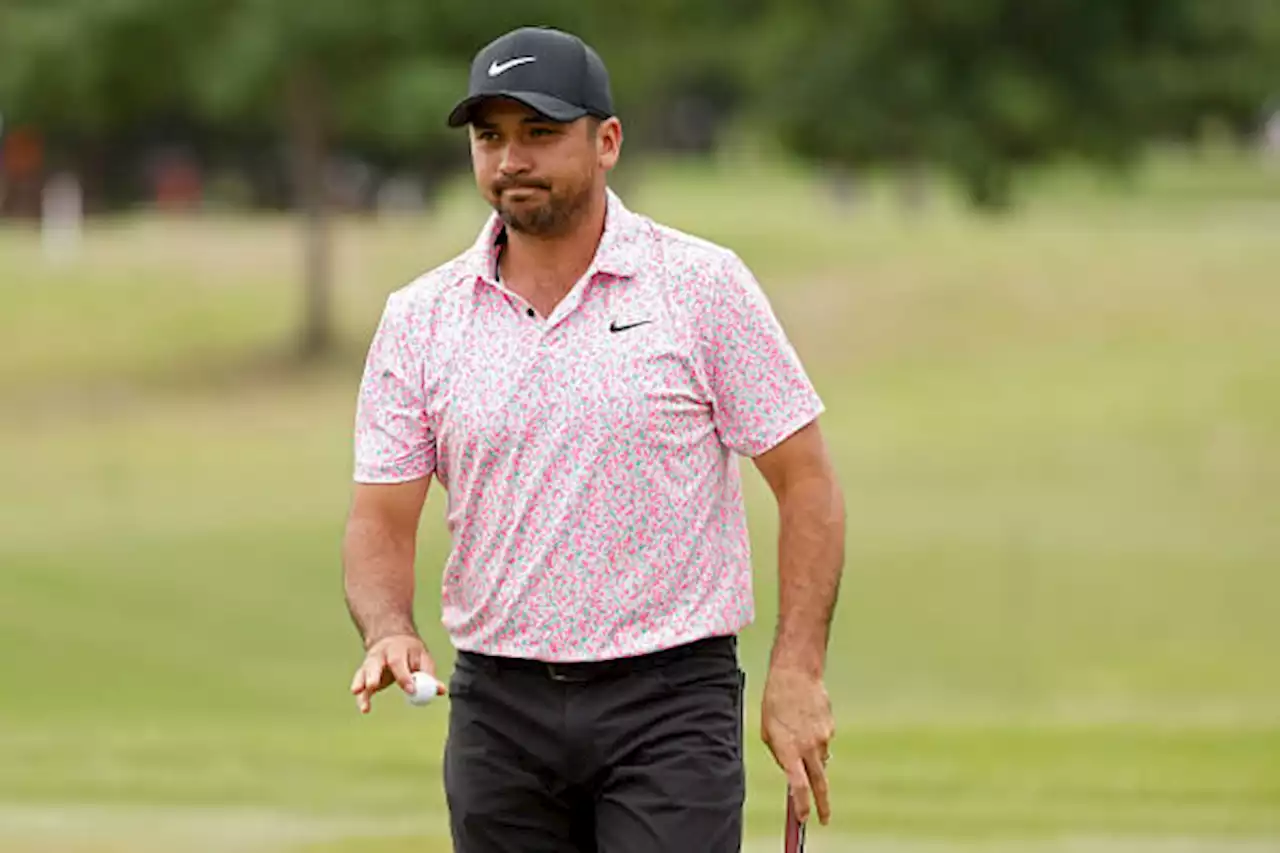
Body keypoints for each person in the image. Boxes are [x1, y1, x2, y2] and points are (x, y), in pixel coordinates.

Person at [342, 25, 846, 853]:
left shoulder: (701, 286)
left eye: (540, 133)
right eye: (490, 137)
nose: (511, 160)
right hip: (498, 709)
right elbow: (379, 519)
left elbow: (808, 482)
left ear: (607, 141)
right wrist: (387, 625)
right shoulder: (421, 319)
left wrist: (797, 670)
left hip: (669, 702)